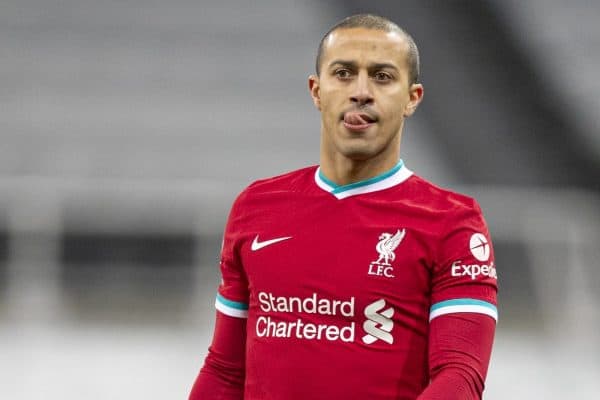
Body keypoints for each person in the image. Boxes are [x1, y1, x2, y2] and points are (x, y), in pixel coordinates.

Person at [189, 13, 497, 400]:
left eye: (382, 77)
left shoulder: (453, 223)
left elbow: (460, 377)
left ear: (411, 98)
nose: (361, 91)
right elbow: (224, 370)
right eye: (344, 73)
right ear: (317, 91)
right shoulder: (255, 206)